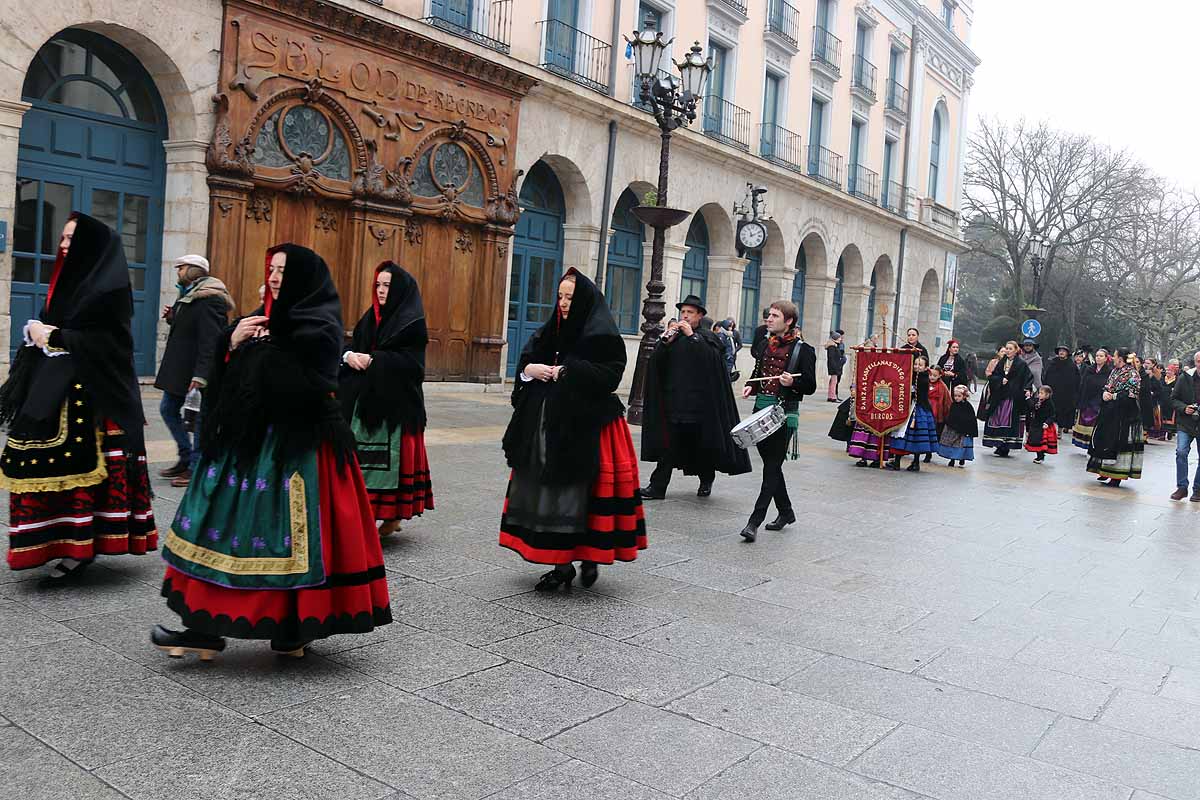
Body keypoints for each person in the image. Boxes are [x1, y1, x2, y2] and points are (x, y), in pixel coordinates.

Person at [152, 243, 391, 660]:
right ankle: (202, 626)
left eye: (283, 269)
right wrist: (233, 339)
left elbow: (301, 383)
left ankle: (293, 629)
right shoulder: (259, 318)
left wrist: (259, 346)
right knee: (221, 530)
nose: (275, 276)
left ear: (301, 276)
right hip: (245, 446)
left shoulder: (320, 323)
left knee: (292, 540)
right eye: (271, 269)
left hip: (298, 450)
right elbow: (230, 380)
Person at [0, 213, 156, 581]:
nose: (64, 245)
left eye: (72, 239)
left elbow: (110, 344)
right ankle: (52, 542)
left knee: (86, 478)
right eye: (64, 238)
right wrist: (40, 334)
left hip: (93, 399)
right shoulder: (67, 283)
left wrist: (52, 336)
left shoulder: (111, 289)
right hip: (51, 391)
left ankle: (79, 545)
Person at [499, 269, 646, 590]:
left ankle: (591, 554)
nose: (564, 303)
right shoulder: (549, 329)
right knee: (553, 495)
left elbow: (611, 375)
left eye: (570, 297)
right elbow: (528, 357)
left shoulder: (602, 332)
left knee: (584, 494)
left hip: (588, 426)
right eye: (560, 297)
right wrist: (528, 370)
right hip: (544, 426)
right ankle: (562, 563)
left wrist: (568, 371)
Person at [339, 262, 433, 537]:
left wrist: (374, 360)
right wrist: (349, 356)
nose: (380, 291)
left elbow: (414, 367)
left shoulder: (412, 324)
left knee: (387, 466)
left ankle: (389, 517)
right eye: (378, 285)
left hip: (396, 408)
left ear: (399, 289)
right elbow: (354, 344)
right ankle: (369, 515)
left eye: (387, 285)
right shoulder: (371, 317)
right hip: (365, 403)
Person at [640, 295, 751, 499]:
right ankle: (657, 487)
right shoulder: (675, 337)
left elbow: (710, 360)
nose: (685, 316)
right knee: (668, 445)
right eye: (683, 312)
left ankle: (706, 480)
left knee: (702, 444)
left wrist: (692, 336)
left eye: (690, 312)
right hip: (675, 400)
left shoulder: (707, 337)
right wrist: (664, 344)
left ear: (699, 315)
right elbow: (658, 363)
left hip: (700, 403)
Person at [155, 254, 235, 488]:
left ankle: (195, 466)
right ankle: (185, 456)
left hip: (197, 372)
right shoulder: (191, 294)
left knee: (199, 419)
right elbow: (190, 325)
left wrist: (201, 375)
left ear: (193, 270)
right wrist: (173, 317)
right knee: (168, 409)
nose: (178, 272)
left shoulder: (211, 298)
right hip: (181, 369)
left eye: (181, 268)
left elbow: (211, 340)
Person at [739, 300, 815, 542]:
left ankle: (754, 521)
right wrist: (751, 385)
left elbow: (810, 386)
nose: (768, 319)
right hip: (760, 409)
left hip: (784, 414)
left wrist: (793, 383)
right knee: (772, 465)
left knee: (772, 466)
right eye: (768, 315)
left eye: (774, 316)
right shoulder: (764, 344)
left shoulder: (804, 350)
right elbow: (759, 373)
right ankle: (786, 512)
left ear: (788, 321)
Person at [1087, 347, 1143, 487]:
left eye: (1115, 355)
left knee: (1118, 442)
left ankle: (1116, 475)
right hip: (1109, 411)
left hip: (1124, 415)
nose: (1112, 357)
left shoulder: (1133, 374)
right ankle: (1104, 470)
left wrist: (1114, 396)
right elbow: (1108, 386)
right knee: (1105, 440)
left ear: (1121, 358)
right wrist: (1105, 393)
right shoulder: (1114, 371)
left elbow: (1132, 394)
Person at [979, 340, 1035, 457]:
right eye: (1007, 349)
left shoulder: (1021, 364)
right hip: (999, 396)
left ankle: (1006, 446)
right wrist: (1000, 380)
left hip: (1012, 397)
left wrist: (1026, 389)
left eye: (1010, 349)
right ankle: (998, 443)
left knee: (1008, 420)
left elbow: (1028, 379)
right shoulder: (1001, 363)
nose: (1008, 351)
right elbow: (993, 376)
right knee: (996, 419)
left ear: (1016, 350)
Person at [885, 356, 938, 471]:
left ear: (925, 367)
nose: (917, 367)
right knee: (901, 434)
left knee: (912, 436)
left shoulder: (923, 379)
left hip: (916, 409)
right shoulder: (911, 375)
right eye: (915, 364)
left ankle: (915, 462)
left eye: (920, 365)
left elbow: (915, 394)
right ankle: (898, 461)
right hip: (908, 407)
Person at [1171, 352, 1200, 500]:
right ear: (1195, 362)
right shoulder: (1185, 377)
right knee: (1181, 452)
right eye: (1199, 361)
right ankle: (1182, 487)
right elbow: (1174, 399)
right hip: (1186, 422)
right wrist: (1184, 408)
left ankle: (1198, 489)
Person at [1073, 349, 1112, 450]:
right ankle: (1085, 444)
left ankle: (1094, 445)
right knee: (1085, 423)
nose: (1098, 358)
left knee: (1096, 425)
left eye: (1101, 356)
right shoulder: (1089, 369)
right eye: (1097, 356)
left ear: (1106, 358)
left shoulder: (1109, 371)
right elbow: (1082, 384)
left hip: (1099, 401)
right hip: (1087, 400)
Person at [1043, 345, 1080, 434]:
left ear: (1067, 353)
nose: (1061, 352)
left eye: (1064, 351)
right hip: (1053, 392)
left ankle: (1060, 430)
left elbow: (1077, 380)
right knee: (1050, 411)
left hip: (1066, 394)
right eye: (1060, 351)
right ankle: (1048, 430)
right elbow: (1047, 376)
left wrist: (1074, 393)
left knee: (1063, 412)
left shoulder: (1072, 365)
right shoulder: (1053, 363)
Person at [938, 384, 977, 467]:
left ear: (964, 396)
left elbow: (971, 419)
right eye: (955, 396)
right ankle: (952, 459)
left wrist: (968, 429)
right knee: (953, 444)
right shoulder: (954, 405)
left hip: (963, 430)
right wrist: (949, 423)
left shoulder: (968, 406)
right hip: (953, 428)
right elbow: (951, 415)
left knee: (961, 444)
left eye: (959, 396)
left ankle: (962, 458)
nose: (956, 398)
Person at [925, 365, 952, 462]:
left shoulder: (942, 386)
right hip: (925, 408)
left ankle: (929, 453)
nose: (932, 377)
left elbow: (947, 401)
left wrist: (946, 415)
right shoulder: (925, 383)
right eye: (930, 375)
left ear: (940, 375)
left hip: (936, 412)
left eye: (935, 375)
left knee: (933, 433)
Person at [1025, 385, 1058, 463]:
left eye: (1042, 393)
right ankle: (1039, 456)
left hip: (1043, 425)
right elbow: (1032, 406)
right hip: (1035, 424)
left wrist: (1047, 423)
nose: (1039, 394)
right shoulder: (1037, 401)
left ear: (1047, 395)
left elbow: (1052, 415)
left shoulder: (1049, 403)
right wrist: (1028, 398)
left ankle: (1041, 456)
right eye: (1039, 393)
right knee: (1036, 440)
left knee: (1041, 441)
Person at [1161, 359, 1181, 441]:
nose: (1168, 372)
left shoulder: (1178, 379)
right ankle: (1161, 432)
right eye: (1167, 371)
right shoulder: (1162, 378)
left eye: (1170, 371)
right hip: (1163, 400)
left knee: (1171, 416)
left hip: (1171, 401)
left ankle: (1170, 431)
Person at [825, 329, 846, 402]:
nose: (841, 339)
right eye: (839, 338)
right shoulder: (832, 347)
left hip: (834, 366)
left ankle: (831, 396)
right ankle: (832, 397)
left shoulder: (834, 346)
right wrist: (836, 367)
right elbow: (832, 358)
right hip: (834, 367)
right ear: (836, 338)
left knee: (833, 381)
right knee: (834, 382)